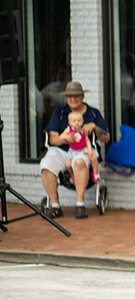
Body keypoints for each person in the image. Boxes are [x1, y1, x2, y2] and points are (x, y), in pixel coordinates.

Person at [39, 81, 110, 219]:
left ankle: (80, 204)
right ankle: (55, 206)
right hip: (62, 150)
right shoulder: (59, 113)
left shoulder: (93, 113)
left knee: (79, 161)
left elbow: (106, 138)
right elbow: (53, 139)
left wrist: (94, 127)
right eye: (69, 96)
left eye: (76, 96)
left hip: (84, 150)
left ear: (82, 96)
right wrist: (65, 138)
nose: (73, 99)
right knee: (46, 165)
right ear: (65, 98)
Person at [62, 111, 99, 186]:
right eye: (74, 121)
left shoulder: (83, 129)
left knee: (93, 157)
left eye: (79, 121)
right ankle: (73, 176)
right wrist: (66, 137)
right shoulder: (69, 129)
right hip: (73, 151)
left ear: (82, 121)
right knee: (68, 165)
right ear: (70, 122)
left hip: (83, 148)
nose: (77, 123)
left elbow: (87, 140)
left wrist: (89, 150)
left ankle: (95, 173)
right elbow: (62, 136)